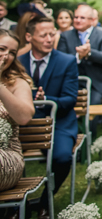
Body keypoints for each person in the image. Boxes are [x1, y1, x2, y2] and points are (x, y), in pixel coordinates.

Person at [18, 16, 79, 217]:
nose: (49, 39)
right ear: (29, 37)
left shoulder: (66, 61)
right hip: (23, 125)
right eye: (43, 35)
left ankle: (44, 201)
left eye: (52, 34)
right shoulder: (18, 63)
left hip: (58, 122)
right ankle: (14, 206)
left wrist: (47, 99)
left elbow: (70, 99)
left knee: (62, 157)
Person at [57, 4, 102, 132]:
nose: (78, 20)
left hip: (96, 83)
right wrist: (78, 56)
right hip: (70, 83)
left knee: (91, 110)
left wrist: (89, 53)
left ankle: (88, 140)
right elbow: (60, 60)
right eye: (76, 17)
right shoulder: (66, 36)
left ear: (91, 20)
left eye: (82, 18)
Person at [0, 29, 35, 191]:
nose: (6, 56)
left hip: (7, 156)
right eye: (2, 49)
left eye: (12, 52)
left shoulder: (17, 83)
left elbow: (24, 117)